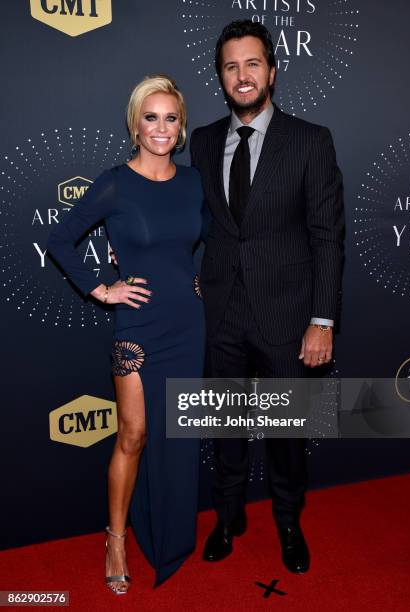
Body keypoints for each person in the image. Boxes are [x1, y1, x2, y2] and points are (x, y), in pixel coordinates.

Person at [189, 20, 345, 573]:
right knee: (225, 427)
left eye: (252, 63)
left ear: (272, 71)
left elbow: (327, 236)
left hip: (287, 315)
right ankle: (228, 517)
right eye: (231, 66)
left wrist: (322, 320)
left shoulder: (310, 140)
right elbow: (195, 218)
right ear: (221, 78)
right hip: (223, 313)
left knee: (285, 434)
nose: (242, 75)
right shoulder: (203, 142)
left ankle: (287, 520)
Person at [47, 75, 205, 593]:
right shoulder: (114, 182)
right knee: (133, 434)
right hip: (136, 324)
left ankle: (174, 530)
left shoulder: (195, 183)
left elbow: (218, 240)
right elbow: (60, 238)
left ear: (181, 127)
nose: (161, 128)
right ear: (136, 124)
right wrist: (101, 288)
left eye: (171, 118)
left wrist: (207, 276)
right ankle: (116, 537)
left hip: (187, 323)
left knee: (179, 435)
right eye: (151, 117)